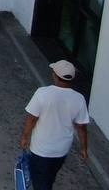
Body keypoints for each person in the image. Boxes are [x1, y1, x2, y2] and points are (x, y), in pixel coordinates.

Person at [20, 60, 89, 189]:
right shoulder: (79, 99)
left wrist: (25, 137)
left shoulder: (43, 93)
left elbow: (31, 119)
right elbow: (82, 127)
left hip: (41, 148)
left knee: (40, 181)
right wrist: (84, 148)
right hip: (61, 150)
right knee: (49, 177)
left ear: (55, 75)